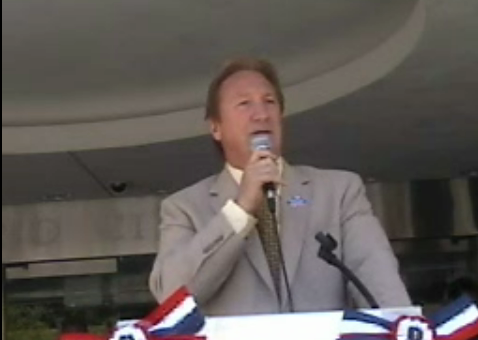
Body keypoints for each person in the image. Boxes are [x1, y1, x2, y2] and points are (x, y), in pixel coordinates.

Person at [149, 57, 411, 315]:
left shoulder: (339, 191)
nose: (261, 114)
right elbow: (171, 296)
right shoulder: (184, 208)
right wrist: (241, 209)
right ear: (216, 127)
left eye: (269, 102)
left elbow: (381, 284)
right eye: (244, 103)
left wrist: (405, 331)